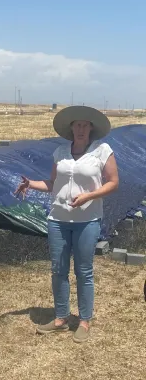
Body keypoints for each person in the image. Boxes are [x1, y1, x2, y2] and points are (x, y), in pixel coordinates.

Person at [15, 106, 119, 343]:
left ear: (91, 128)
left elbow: (113, 182)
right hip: (58, 220)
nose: (81, 129)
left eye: (85, 125)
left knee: (84, 271)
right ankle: (61, 317)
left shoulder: (102, 150)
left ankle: (84, 320)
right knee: (58, 269)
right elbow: (53, 183)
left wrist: (88, 196)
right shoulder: (60, 151)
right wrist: (30, 184)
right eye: (77, 125)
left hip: (87, 220)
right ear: (71, 128)